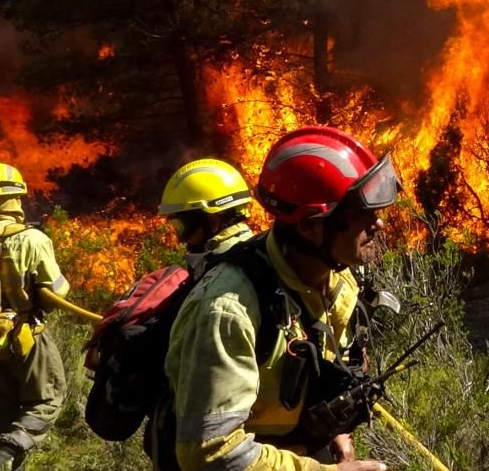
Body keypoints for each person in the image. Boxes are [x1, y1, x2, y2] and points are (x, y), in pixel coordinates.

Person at [165, 127, 402, 471]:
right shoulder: (227, 310)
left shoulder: (336, 277)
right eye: (358, 213)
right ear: (309, 227)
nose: (378, 223)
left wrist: (329, 424)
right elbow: (208, 453)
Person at [0, 161, 70, 471]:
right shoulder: (32, 239)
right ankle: (7, 456)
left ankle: (1, 458)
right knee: (48, 399)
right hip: (26, 339)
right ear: (18, 197)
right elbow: (58, 292)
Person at [158, 158, 257, 269]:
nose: (183, 241)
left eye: (183, 228)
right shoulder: (247, 250)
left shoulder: (226, 269)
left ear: (212, 221)